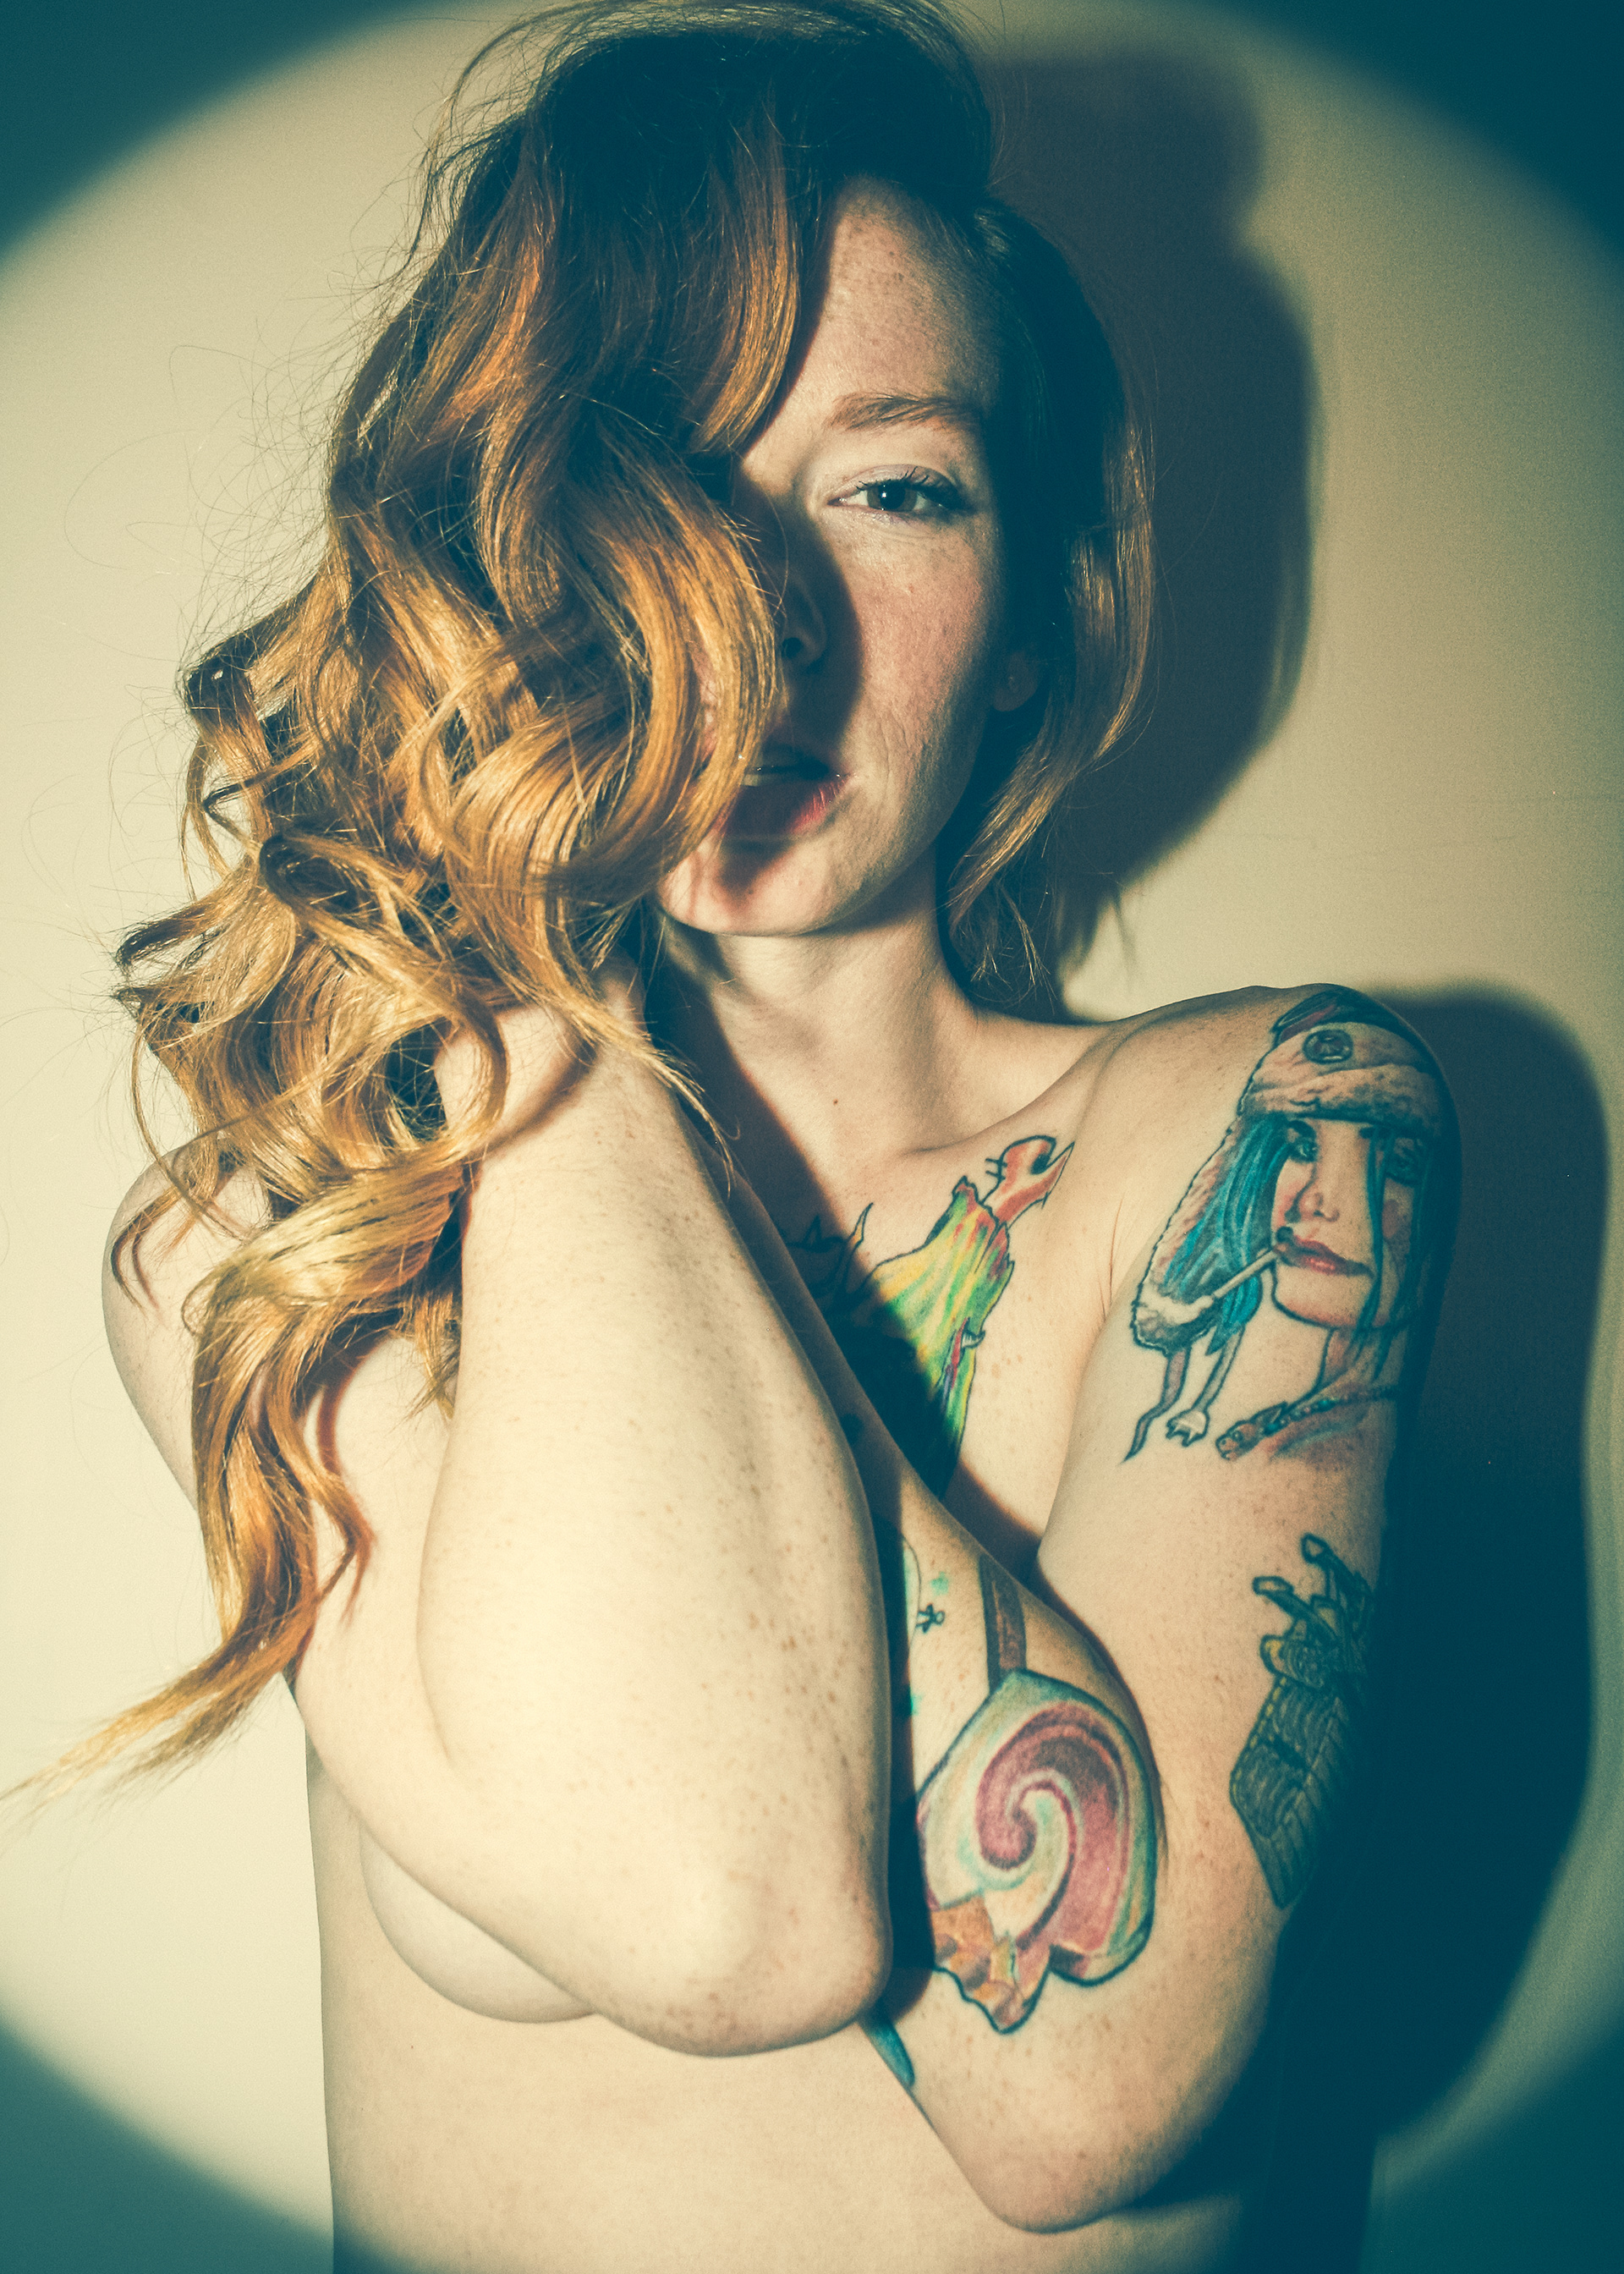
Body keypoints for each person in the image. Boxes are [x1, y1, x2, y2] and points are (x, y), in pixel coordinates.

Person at [80, 3, 1455, 2267]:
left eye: (895, 488)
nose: (755, 613)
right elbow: (722, 1892)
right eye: (662, 488)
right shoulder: (290, 1232)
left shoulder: (1271, 1131)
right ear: (506, 559)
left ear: (1027, 625)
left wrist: (536, 973)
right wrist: (526, 985)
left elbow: (1082, 2085)